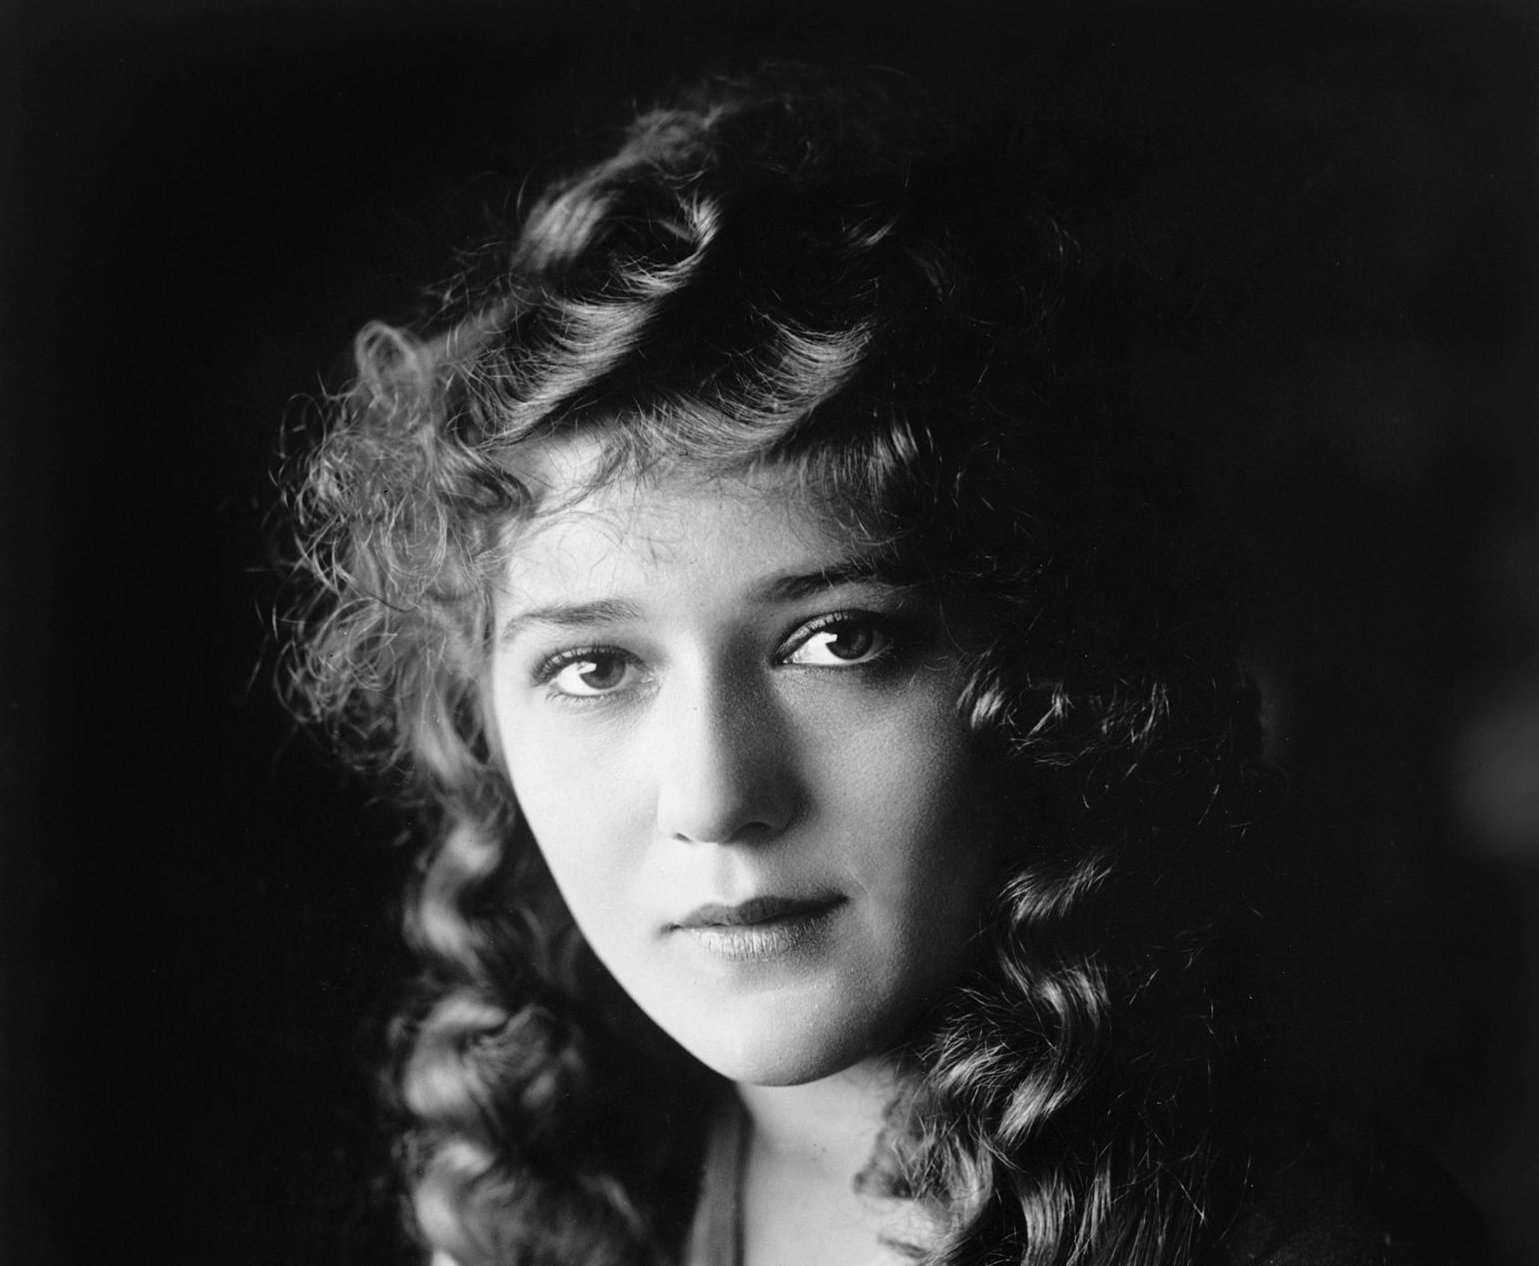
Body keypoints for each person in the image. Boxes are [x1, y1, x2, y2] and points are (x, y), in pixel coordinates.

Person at [285, 71, 1485, 1266]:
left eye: (838, 642)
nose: (714, 799)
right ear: (484, 716)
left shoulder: (1312, 1241)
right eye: (594, 667)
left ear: (1046, 686)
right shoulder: (558, 1199)